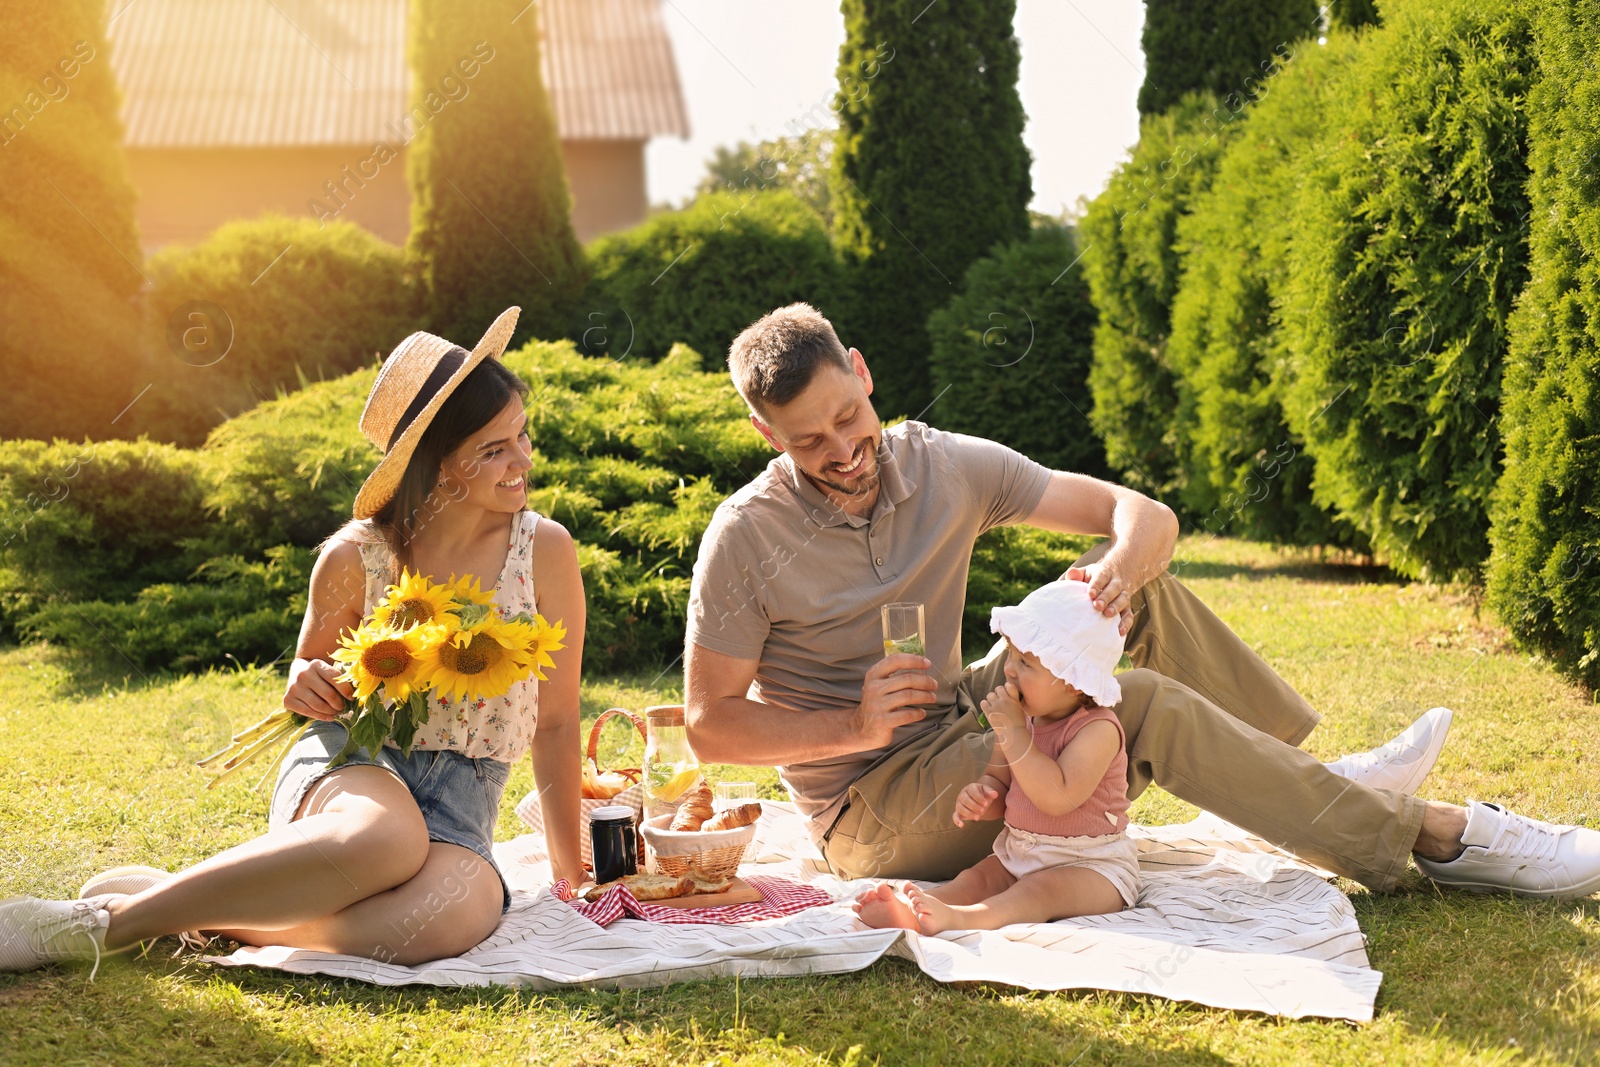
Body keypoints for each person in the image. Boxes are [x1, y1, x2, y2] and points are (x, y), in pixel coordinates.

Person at [684, 302, 1600, 901]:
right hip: (871, 803)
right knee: (1143, 704)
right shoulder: (746, 536)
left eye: (849, 417)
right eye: (809, 443)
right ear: (765, 433)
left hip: (959, 710)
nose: (843, 450)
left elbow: (1142, 514)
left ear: (862, 369)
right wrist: (848, 723)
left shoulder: (941, 464)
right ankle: (1440, 839)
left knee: (1129, 596)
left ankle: (1314, 781)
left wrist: (1119, 566)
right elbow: (709, 727)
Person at [0, 307, 588, 976]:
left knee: (453, 916)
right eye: (494, 448)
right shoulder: (354, 558)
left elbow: (560, 721)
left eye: (523, 434)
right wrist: (305, 678)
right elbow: (311, 681)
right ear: (435, 461)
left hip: (464, 803)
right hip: (357, 769)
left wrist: (575, 880)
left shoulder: (543, 550)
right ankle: (99, 927)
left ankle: (188, 906)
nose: (524, 460)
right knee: (388, 838)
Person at [856, 581, 1139, 933]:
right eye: (1010, 654)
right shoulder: (1025, 720)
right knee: (979, 877)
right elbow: (999, 782)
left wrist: (1015, 733)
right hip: (1022, 853)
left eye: (1025, 662)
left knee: (1039, 891)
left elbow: (1056, 798)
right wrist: (981, 797)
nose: (1008, 669)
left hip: (1091, 867)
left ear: (1072, 680)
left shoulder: (1097, 730)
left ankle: (958, 920)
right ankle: (916, 906)